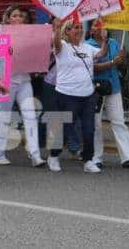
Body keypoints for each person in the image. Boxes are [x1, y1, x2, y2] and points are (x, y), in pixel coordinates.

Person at [47, 19, 105, 174]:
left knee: (89, 130)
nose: (78, 30)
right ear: (67, 31)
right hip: (67, 95)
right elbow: (56, 43)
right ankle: (53, 156)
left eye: (80, 27)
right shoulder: (63, 47)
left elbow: (100, 54)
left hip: (87, 95)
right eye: (74, 28)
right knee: (65, 129)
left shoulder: (87, 47)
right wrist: (57, 29)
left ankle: (88, 160)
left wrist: (104, 41)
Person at [0, 6, 46, 168]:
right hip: (6, 81)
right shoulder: (0, 34)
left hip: (24, 80)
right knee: (4, 116)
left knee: (31, 115)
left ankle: (35, 154)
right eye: (14, 16)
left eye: (20, 16)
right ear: (8, 19)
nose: (17, 18)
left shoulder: (30, 35)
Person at [87, 20, 129, 169]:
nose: (100, 27)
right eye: (95, 25)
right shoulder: (87, 46)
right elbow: (93, 67)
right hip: (95, 89)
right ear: (91, 30)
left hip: (113, 87)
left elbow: (121, 65)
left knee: (118, 120)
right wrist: (113, 62)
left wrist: (123, 59)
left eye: (102, 24)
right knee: (96, 124)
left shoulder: (113, 43)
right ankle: (95, 156)